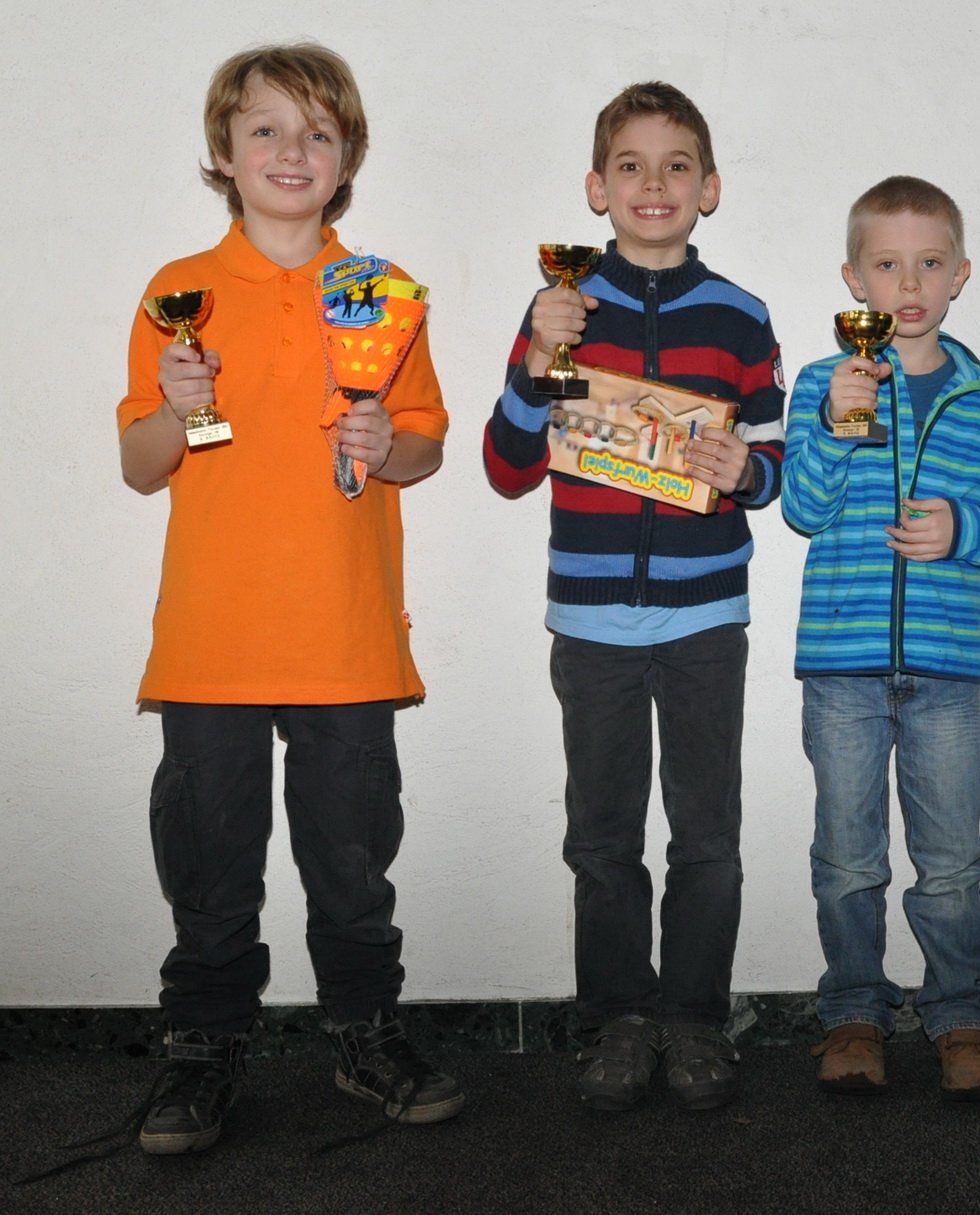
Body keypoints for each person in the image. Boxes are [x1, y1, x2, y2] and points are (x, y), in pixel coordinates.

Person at [117, 43, 462, 1154]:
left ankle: (365, 1030)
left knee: (352, 869)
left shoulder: (382, 294)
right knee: (210, 869)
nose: (291, 150)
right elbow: (141, 465)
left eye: (317, 131)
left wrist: (385, 440)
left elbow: (425, 447)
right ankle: (203, 1045)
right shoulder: (180, 292)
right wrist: (176, 405)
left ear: (348, 157)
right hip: (210, 638)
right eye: (264, 128)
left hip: (344, 634)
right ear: (223, 153)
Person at [484, 82, 785, 1111]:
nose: (653, 183)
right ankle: (616, 1017)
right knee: (603, 838)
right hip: (592, 620)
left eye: (675, 165)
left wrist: (744, 470)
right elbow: (507, 465)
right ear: (596, 188)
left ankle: (695, 1018)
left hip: (706, 618)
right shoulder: (560, 312)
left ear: (709, 188)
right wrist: (537, 358)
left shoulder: (741, 316)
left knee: (707, 835)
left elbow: (775, 459)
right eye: (630, 165)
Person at [781, 176, 980, 1101]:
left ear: (960, 274)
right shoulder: (824, 384)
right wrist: (834, 424)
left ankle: (964, 1015)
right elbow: (802, 508)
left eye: (930, 262)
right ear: (855, 281)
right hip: (841, 668)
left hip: (946, 670)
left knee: (952, 861)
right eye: (888, 265)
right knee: (847, 860)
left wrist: (963, 528)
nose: (910, 282)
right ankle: (854, 1010)